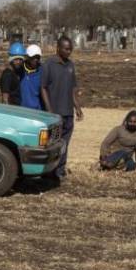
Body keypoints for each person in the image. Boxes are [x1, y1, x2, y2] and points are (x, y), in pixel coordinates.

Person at [41, 36, 83, 179]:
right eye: (66, 48)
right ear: (58, 48)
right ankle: (48, 172)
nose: (69, 51)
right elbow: (43, 88)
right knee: (53, 144)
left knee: (65, 144)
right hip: (55, 113)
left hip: (68, 113)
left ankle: (60, 170)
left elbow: (72, 88)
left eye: (70, 49)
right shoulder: (49, 64)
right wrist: (49, 110)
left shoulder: (70, 65)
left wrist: (77, 107)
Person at [19, 45, 44, 111]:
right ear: (27, 57)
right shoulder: (20, 70)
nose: (36, 60)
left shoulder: (42, 71)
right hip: (21, 110)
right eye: (33, 57)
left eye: (38, 58)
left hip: (37, 111)